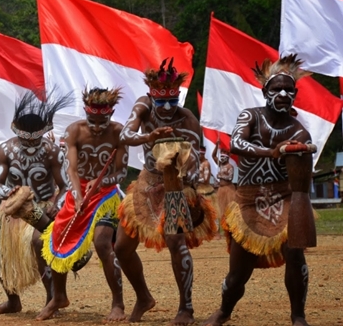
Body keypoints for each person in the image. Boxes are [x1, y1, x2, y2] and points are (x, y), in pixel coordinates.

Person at [203, 55, 313, 326]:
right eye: (276, 89)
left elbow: (302, 176)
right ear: (265, 92)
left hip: (284, 201)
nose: (283, 94)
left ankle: (298, 316)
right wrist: (272, 152)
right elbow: (237, 144)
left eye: (289, 90)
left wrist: (298, 154)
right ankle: (224, 311)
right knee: (237, 274)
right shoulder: (249, 115)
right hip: (248, 203)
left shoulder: (299, 132)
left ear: (295, 95)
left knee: (294, 254)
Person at [115, 58, 217, 325]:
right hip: (147, 183)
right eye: (163, 102)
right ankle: (144, 297)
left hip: (177, 187)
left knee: (175, 242)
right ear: (152, 96)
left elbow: (196, 156)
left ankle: (187, 308)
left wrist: (190, 173)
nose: (169, 107)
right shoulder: (144, 106)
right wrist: (148, 137)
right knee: (122, 248)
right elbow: (125, 135)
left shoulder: (187, 119)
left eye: (174, 101)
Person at [36, 87, 128, 322]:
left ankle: (118, 303)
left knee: (102, 242)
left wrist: (101, 183)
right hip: (78, 192)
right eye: (92, 120)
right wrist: (77, 196)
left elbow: (121, 172)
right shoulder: (74, 131)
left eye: (102, 121)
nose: (97, 127)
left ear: (111, 114)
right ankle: (59, 297)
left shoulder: (119, 132)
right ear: (86, 113)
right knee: (56, 236)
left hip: (106, 196)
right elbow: (71, 169)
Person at [0, 90, 70, 316]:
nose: (30, 144)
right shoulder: (5, 149)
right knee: (2, 257)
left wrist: (56, 204)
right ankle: (13, 301)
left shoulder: (52, 151)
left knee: (40, 244)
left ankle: (52, 299)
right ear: (15, 131)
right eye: (25, 139)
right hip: (15, 208)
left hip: (43, 205)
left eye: (36, 139)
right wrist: (8, 191)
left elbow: (65, 186)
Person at [211, 140, 235, 221]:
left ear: (227, 158)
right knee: (220, 208)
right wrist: (216, 146)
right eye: (221, 157)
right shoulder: (220, 165)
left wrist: (221, 175)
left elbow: (230, 178)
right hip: (221, 189)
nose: (221, 159)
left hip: (228, 189)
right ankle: (222, 224)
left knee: (228, 208)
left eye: (223, 157)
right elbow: (213, 155)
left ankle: (230, 223)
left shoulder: (230, 166)